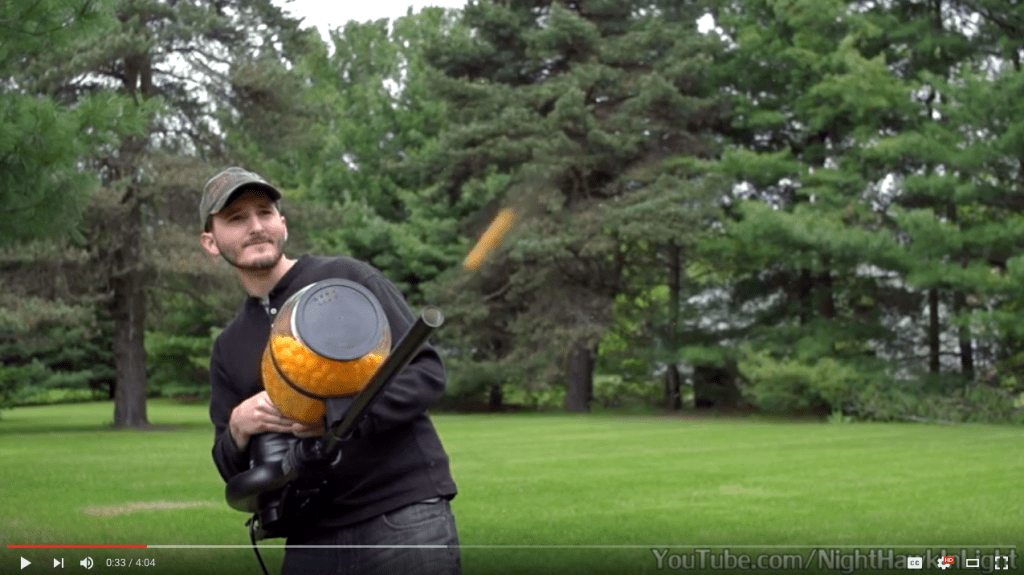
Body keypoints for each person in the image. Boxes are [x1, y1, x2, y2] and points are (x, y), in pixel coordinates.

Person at [199, 166, 460, 575]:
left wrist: (333, 415)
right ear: (210, 243)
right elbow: (232, 470)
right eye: (236, 218)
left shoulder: (346, 279)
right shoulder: (228, 346)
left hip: (401, 516)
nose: (256, 227)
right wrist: (237, 428)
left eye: (265, 213)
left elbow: (425, 373)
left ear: (282, 223)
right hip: (310, 537)